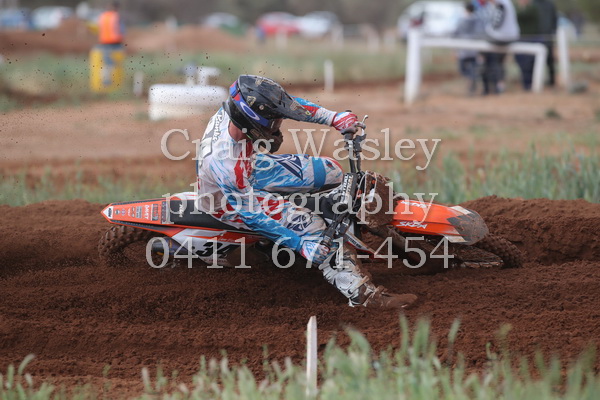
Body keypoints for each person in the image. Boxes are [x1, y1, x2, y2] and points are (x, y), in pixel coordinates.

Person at [194, 75, 417, 309]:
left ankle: (326, 218)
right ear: (252, 124)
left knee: (331, 171)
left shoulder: (237, 110)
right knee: (311, 227)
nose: (278, 125)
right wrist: (301, 244)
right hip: (230, 203)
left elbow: (289, 106)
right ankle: (362, 296)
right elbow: (252, 215)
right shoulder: (225, 162)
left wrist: (334, 118)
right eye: (273, 123)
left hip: (249, 167)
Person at [479, 0, 520, 94]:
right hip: (506, 37)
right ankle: (496, 84)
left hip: (501, 37)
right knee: (497, 62)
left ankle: (494, 85)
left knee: (493, 61)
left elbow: (497, 23)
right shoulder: (502, 4)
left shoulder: (501, 4)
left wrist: (488, 30)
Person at [454, 2, 484, 95]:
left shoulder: (461, 20)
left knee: (463, 69)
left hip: (463, 51)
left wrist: (455, 50)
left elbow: (455, 34)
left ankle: (471, 83)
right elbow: (480, 34)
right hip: (474, 51)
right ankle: (472, 82)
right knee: (472, 69)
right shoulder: (478, 21)